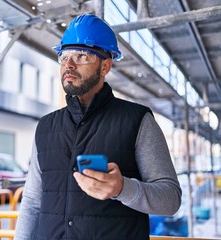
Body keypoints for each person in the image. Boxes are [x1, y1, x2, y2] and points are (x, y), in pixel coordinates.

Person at [14, 14, 181, 240]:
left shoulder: (137, 120)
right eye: (64, 56)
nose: (69, 65)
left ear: (105, 66)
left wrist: (122, 189)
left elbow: (170, 199)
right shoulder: (45, 126)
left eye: (81, 56)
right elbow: (33, 202)